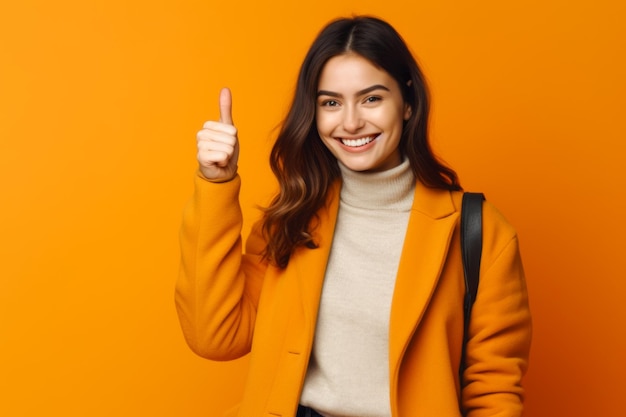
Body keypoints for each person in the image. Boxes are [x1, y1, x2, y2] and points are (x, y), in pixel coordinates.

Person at [176, 15, 531, 417]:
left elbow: (493, 390)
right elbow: (214, 337)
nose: (350, 122)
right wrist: (216, 184)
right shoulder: (292, 218)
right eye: (331, 102)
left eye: (372, 98)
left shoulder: (480, 232)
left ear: (408, 103)